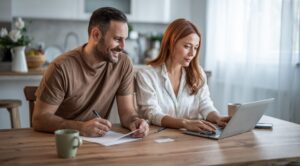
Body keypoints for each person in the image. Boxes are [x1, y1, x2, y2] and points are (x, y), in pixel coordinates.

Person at [33, 7, 149, 138]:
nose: (123, 47)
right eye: (117, 39)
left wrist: (135, 122)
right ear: (96, 35)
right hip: (61, 143)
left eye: (124, 39)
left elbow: (127, 113)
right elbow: (39, 119)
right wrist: (80, 128)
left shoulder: (123, 64)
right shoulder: (61, 67)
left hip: (98, 143)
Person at [135, 19, 230, 133]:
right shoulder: (146, 76)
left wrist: (218, 118)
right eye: (187, 46)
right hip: (158, 140)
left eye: (195, 47)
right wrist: (185, 123)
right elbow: (152, 113)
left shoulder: (197, 73)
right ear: (171, 43)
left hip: (191, 140)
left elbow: (205, 105)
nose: (192, 53)